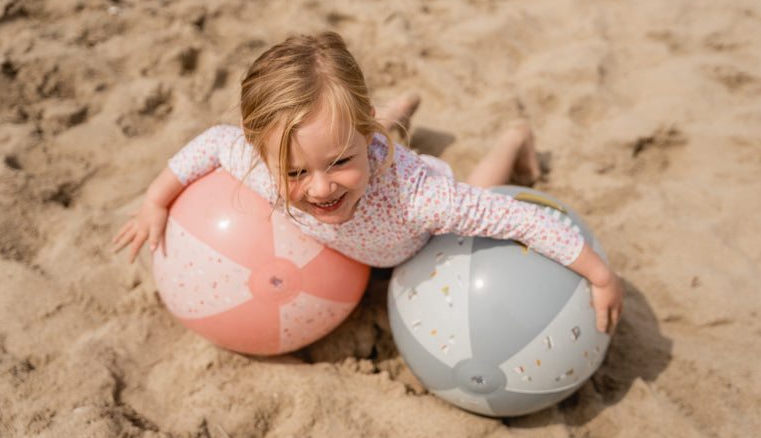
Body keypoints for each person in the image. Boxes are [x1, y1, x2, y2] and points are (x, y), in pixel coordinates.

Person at [113, 31, 623, 334]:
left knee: (482, 191)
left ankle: (512, 139)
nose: (318, 190)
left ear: (363, 136)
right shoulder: (263, 166)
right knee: (338, 143)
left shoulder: (422, 200)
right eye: (295, 172)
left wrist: (600, 275)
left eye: (337, 164)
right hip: (367, 152)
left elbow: (520, 219)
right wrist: (155, 201)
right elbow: (211, 141)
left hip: (416, 238)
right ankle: (397, 112)